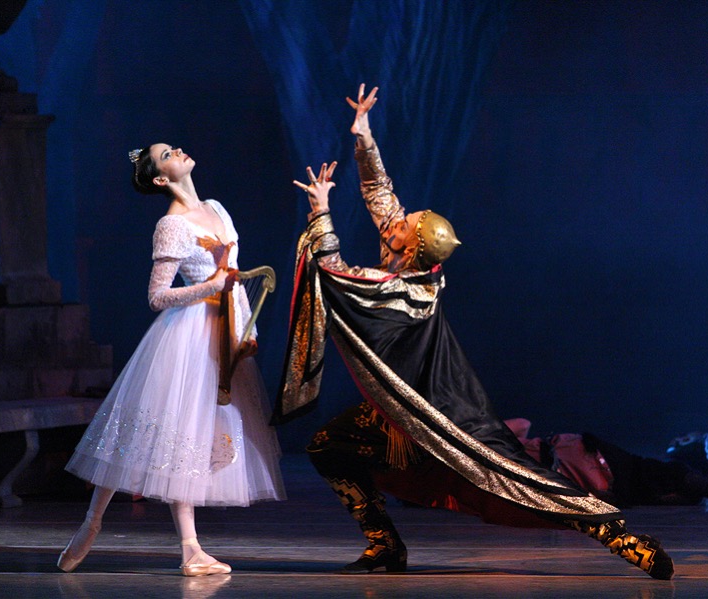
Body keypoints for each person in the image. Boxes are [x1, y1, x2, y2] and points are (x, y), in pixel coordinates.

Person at [275, 84, 674, 579]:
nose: (396, 219)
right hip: (402, 414)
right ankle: (385, 545)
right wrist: (364, 137)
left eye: (405, 223)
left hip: (440, 417)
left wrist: (320, 212)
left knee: (519, 483)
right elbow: (381, 197)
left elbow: (334, 274)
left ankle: (627, 542)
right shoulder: (410, 266)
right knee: (329, 447)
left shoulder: (398, 290)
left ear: (409, 245)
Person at [58, 143, 286, 576]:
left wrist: (247, 332)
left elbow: (236, 279)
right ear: (161, 178)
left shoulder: (217, 209)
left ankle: (190, 549)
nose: (177, 151)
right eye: (166, 155)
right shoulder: (171, 225)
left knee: (194, 437)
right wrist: (211, 287)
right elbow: (158, 296)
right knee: (147, 430)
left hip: (224, 331)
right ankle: (92, 521)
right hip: (188, 333)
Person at [505, 418, 708, 507]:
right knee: (646, 471)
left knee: (644, 484)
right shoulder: (496, 447)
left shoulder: (499, 471)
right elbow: (522, 424)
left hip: (598, 480)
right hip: (591, 462)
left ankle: (695, 491)